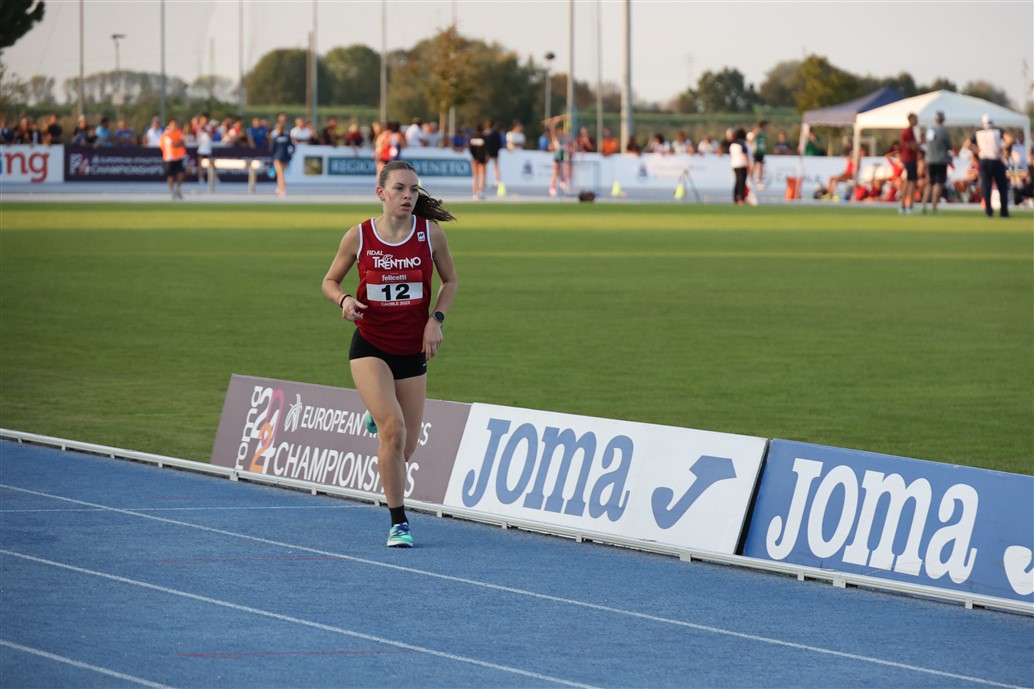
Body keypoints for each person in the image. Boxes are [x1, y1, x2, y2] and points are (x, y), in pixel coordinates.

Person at [320, 160, 459, 548]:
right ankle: (399, 523)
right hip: (371, 345)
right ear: (381, 193)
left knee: (405, 448)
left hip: (412, 349)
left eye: (413, 189)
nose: (408, 196)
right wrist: (344, 300)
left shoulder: (430, 235)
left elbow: (450, 281)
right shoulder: (359, 236)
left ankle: (377, 409)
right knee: (394, 431)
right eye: (399, 188)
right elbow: (329, 281)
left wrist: (436, 320)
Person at [964, 114, 1009, 218]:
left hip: (984, 161)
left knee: (986, 187)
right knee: (1002, 187)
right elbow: (1009, 139)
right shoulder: (998, 131)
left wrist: (977, 150)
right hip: (996, 160)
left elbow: (966, 144)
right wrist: (1001, 149)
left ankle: (988, 211)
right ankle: (1004, 212)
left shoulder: (978, 132)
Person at [921, 110, 952, 214]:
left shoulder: (930, 129)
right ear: (943, 119)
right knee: (938, 183)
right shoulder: (944, 130)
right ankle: (934, 207)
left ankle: (924, 205)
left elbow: (927, 143)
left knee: (929, 183)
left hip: (930, 159)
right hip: (941, 160)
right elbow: (949, 146)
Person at [160, 118, 188, 201]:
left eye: (176, 125)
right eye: (173, 125)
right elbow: (173, 145)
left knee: (181, 174)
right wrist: (178, 143)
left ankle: (177, 189)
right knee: (170, 176)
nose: (175, 126)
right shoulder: (166, 136)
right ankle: (172, 192)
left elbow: (183, 142)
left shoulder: (180, 133)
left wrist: (179, 143)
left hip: (179, 157)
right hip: (169, 158)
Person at [898, 113, 920, 214]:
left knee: (909, 181)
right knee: (911, 182)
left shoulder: (911, 131)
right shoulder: (907, 131)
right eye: (915, 119)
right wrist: (920, 144)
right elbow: (911, 146)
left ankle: (905, 205)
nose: (917, 121)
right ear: (910, 119)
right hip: (909, 159)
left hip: (911, 159)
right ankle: (908, 205)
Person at [269, 114, 295, 198]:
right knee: (281, 173)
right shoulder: (287, 136)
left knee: (280, 174)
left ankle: (283, 189)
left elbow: (271, 149)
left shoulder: (276, 137)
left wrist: (273, 155)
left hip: (278, 157)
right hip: (285, 157)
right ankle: (279, 187)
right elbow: (293, 146)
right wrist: (290, 154)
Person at [725, 127, 751, 205]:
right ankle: (741, 198)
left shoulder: (732, 144)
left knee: (737, 182)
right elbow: (744, 154)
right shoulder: (742, 144)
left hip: (734, 165)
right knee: (741, 182)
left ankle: (735, 198)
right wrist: (748, 164)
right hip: (741, 164)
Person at [468, 123, 488, 200]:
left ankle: (475, 192)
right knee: (483, 176)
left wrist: (474, 156)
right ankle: (481, 191)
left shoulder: (472, 138)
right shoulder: (484, 138)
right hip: (482, 159)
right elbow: (486, 149)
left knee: (475, 176)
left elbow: (470, 149)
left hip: (475, 159)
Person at [484, 121, 503, 188]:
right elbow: (499, 143)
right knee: (496, 167)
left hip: (488, 152)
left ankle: (483, 181)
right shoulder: (496, 133)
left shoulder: (485, 133)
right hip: (495, 152)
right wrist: (497, 149)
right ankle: (497, 182)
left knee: (483, 167)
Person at [751, 120, 768, 189]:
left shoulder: (762, 132)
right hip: (756, 151)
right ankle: (750, 180)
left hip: (761, 151)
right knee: (754, 166)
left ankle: (759, 182)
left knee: (761, 166)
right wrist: (753, 148)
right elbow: (752, 138)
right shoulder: (758, 130)